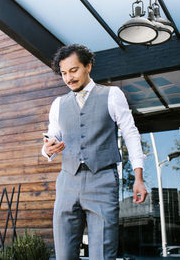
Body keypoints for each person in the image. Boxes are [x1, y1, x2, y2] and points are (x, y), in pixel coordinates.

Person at [42, 44, 147, 260]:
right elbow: (53, 136)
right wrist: (47, 149)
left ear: (88, 66)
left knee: (102, 254)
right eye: (63, 73)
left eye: (74, 70)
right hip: (67, 182)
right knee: (64, 255)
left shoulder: (112, 95)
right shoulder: (58, 104)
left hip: (103, 180)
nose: (68, 78)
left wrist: (138, 177)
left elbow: (130, 133)